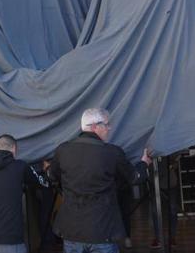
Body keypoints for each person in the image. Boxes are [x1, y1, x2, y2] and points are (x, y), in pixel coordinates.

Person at [48, 108, 152, 253]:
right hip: (102, 231)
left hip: (72, 231)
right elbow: (134, 178)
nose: (109, 129)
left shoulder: (62, 150)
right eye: (106, 125)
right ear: (95, 127)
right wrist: (144, 163)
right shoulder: (112, 152)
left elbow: (52, 177)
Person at [0, 134, 47, 253]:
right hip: (10, 239)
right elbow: (42, 183)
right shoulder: (20, 166)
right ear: (14, 149)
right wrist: (46, 170)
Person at [148, 155, 179, 249]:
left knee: (173, 210)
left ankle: (172, 237)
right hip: (155, 181)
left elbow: (176, 160)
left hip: (170, 182)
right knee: (155, 211)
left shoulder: (168, 144)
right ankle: (158, 238)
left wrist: (172, 165)